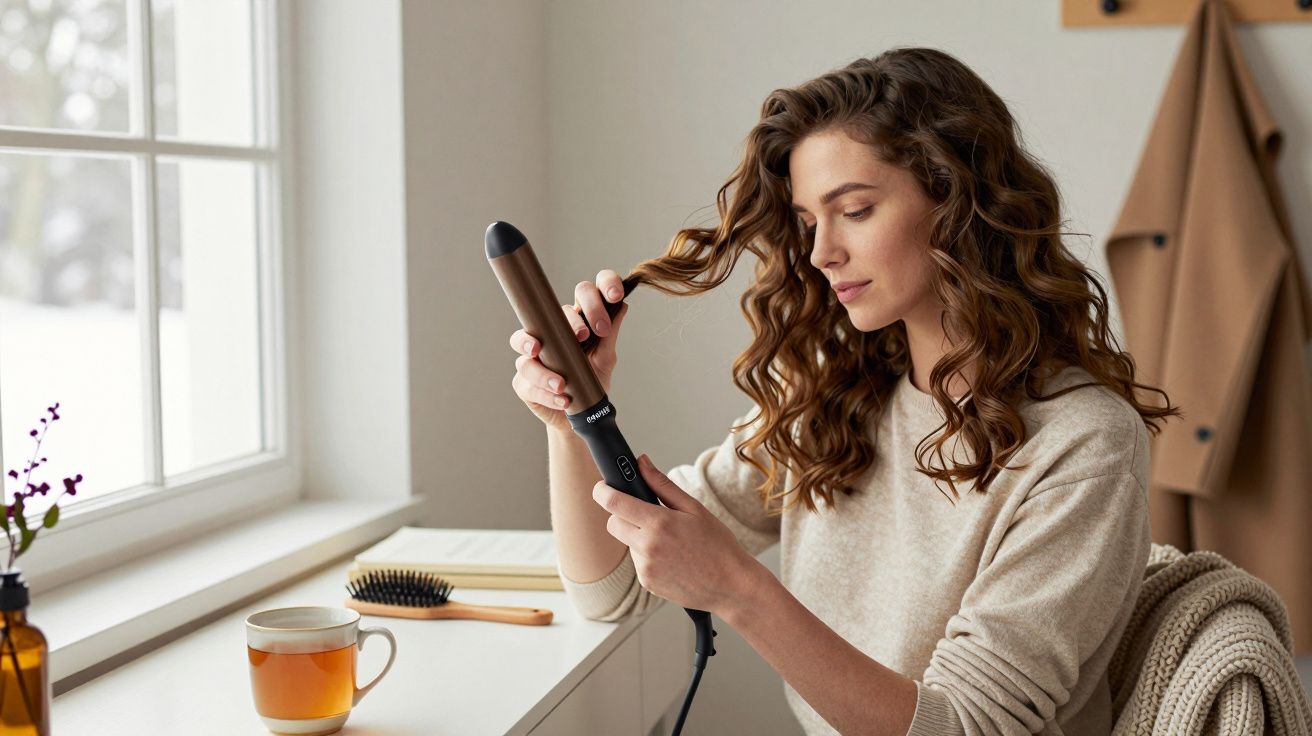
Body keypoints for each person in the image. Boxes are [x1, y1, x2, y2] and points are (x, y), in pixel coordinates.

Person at [507, 47, 1180, 735]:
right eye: (807, 222)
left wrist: (739, 591)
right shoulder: (834, 396)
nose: (821, 251)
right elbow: (611, 589)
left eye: (853, 210)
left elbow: (967, 725)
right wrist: (571, 419)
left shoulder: (1081, 444)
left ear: (957, 200)